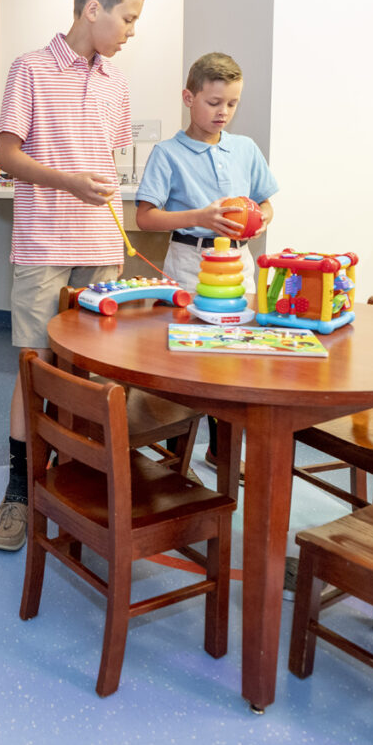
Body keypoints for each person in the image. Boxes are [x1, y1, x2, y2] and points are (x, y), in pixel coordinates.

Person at [0, 0, 150, 552]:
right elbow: (6, 157)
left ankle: (80, 479)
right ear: (93, 9)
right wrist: (69, 182)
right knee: (35, 369)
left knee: (92, 372)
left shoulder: (117, 84)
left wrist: (98, 192)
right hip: (43, 242)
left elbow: (106, 159)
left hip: (102, 243)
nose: (132, 30)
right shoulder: (28, 68)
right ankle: (18, 494)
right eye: (127, 18)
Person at [134, 51, 279, 469]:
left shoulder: (246, 149)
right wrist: (199, 217)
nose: (223, 112)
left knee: (237, 354)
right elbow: (146, 216)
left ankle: (222, 450)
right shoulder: (167, 154)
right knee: (194, 357)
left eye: (232, 104)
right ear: (188, 97)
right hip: (190, 262)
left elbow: (267, 203)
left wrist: (260, 218)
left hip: (239, 264)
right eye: (214, 103)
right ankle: (179, 448)